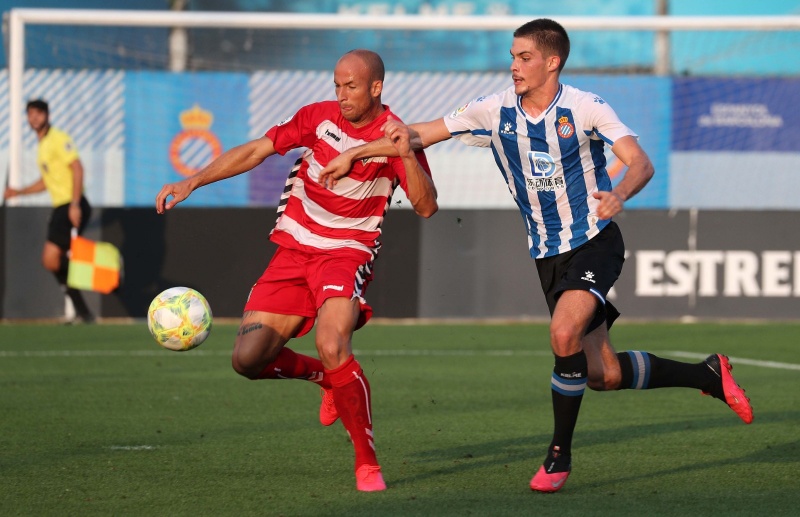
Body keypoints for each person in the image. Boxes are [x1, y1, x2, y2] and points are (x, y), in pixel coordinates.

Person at [318, 19, 752, 493]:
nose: (514, 67)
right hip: (548, 256)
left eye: (524, 58)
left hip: (594, 240)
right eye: (512, 57)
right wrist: (358, 152)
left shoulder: (585, 107)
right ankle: (707, 373)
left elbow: (640, 161)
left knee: (563, 333)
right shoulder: (494, 109)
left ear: (552, 62)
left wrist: (620, 192)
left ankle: (557, 458)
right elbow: (417, 134)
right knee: (601, 374)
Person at [155, 49, 438, 492]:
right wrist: (192, 180)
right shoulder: (316, 117)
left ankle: (367, 462)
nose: (342, 95)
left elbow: (426, 206)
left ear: (376, 87)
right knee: (247, 360)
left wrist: (404, 155)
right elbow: (256, 151)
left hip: (345, 253)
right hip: (293, 251)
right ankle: (325, 379)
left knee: (332, 342)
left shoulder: (395, 135)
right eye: (337, 85)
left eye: (352, 86)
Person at [4, 99, 94, 324]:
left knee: (51, 259)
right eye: (30, 114)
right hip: (61, 206)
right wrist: (20, 192)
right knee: (53, 262)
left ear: (47, 115)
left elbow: (77, 167)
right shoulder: (42, 144)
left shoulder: (57, 138)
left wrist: (74, 204)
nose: (34, 118)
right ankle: (84, 312)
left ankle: (96, 271)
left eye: (38, 113)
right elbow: (46, 181)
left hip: (70, 204)